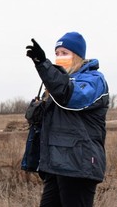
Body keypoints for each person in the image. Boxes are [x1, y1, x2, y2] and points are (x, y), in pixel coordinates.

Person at [25, 32, 109, 207]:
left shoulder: (93, 80)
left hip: (78, 164)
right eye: (57, 54)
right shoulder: (58, 83)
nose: (59, 57)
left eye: (65, 53)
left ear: (78, 56)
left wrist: (43, 65)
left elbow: (71, 97)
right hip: (56, 164)